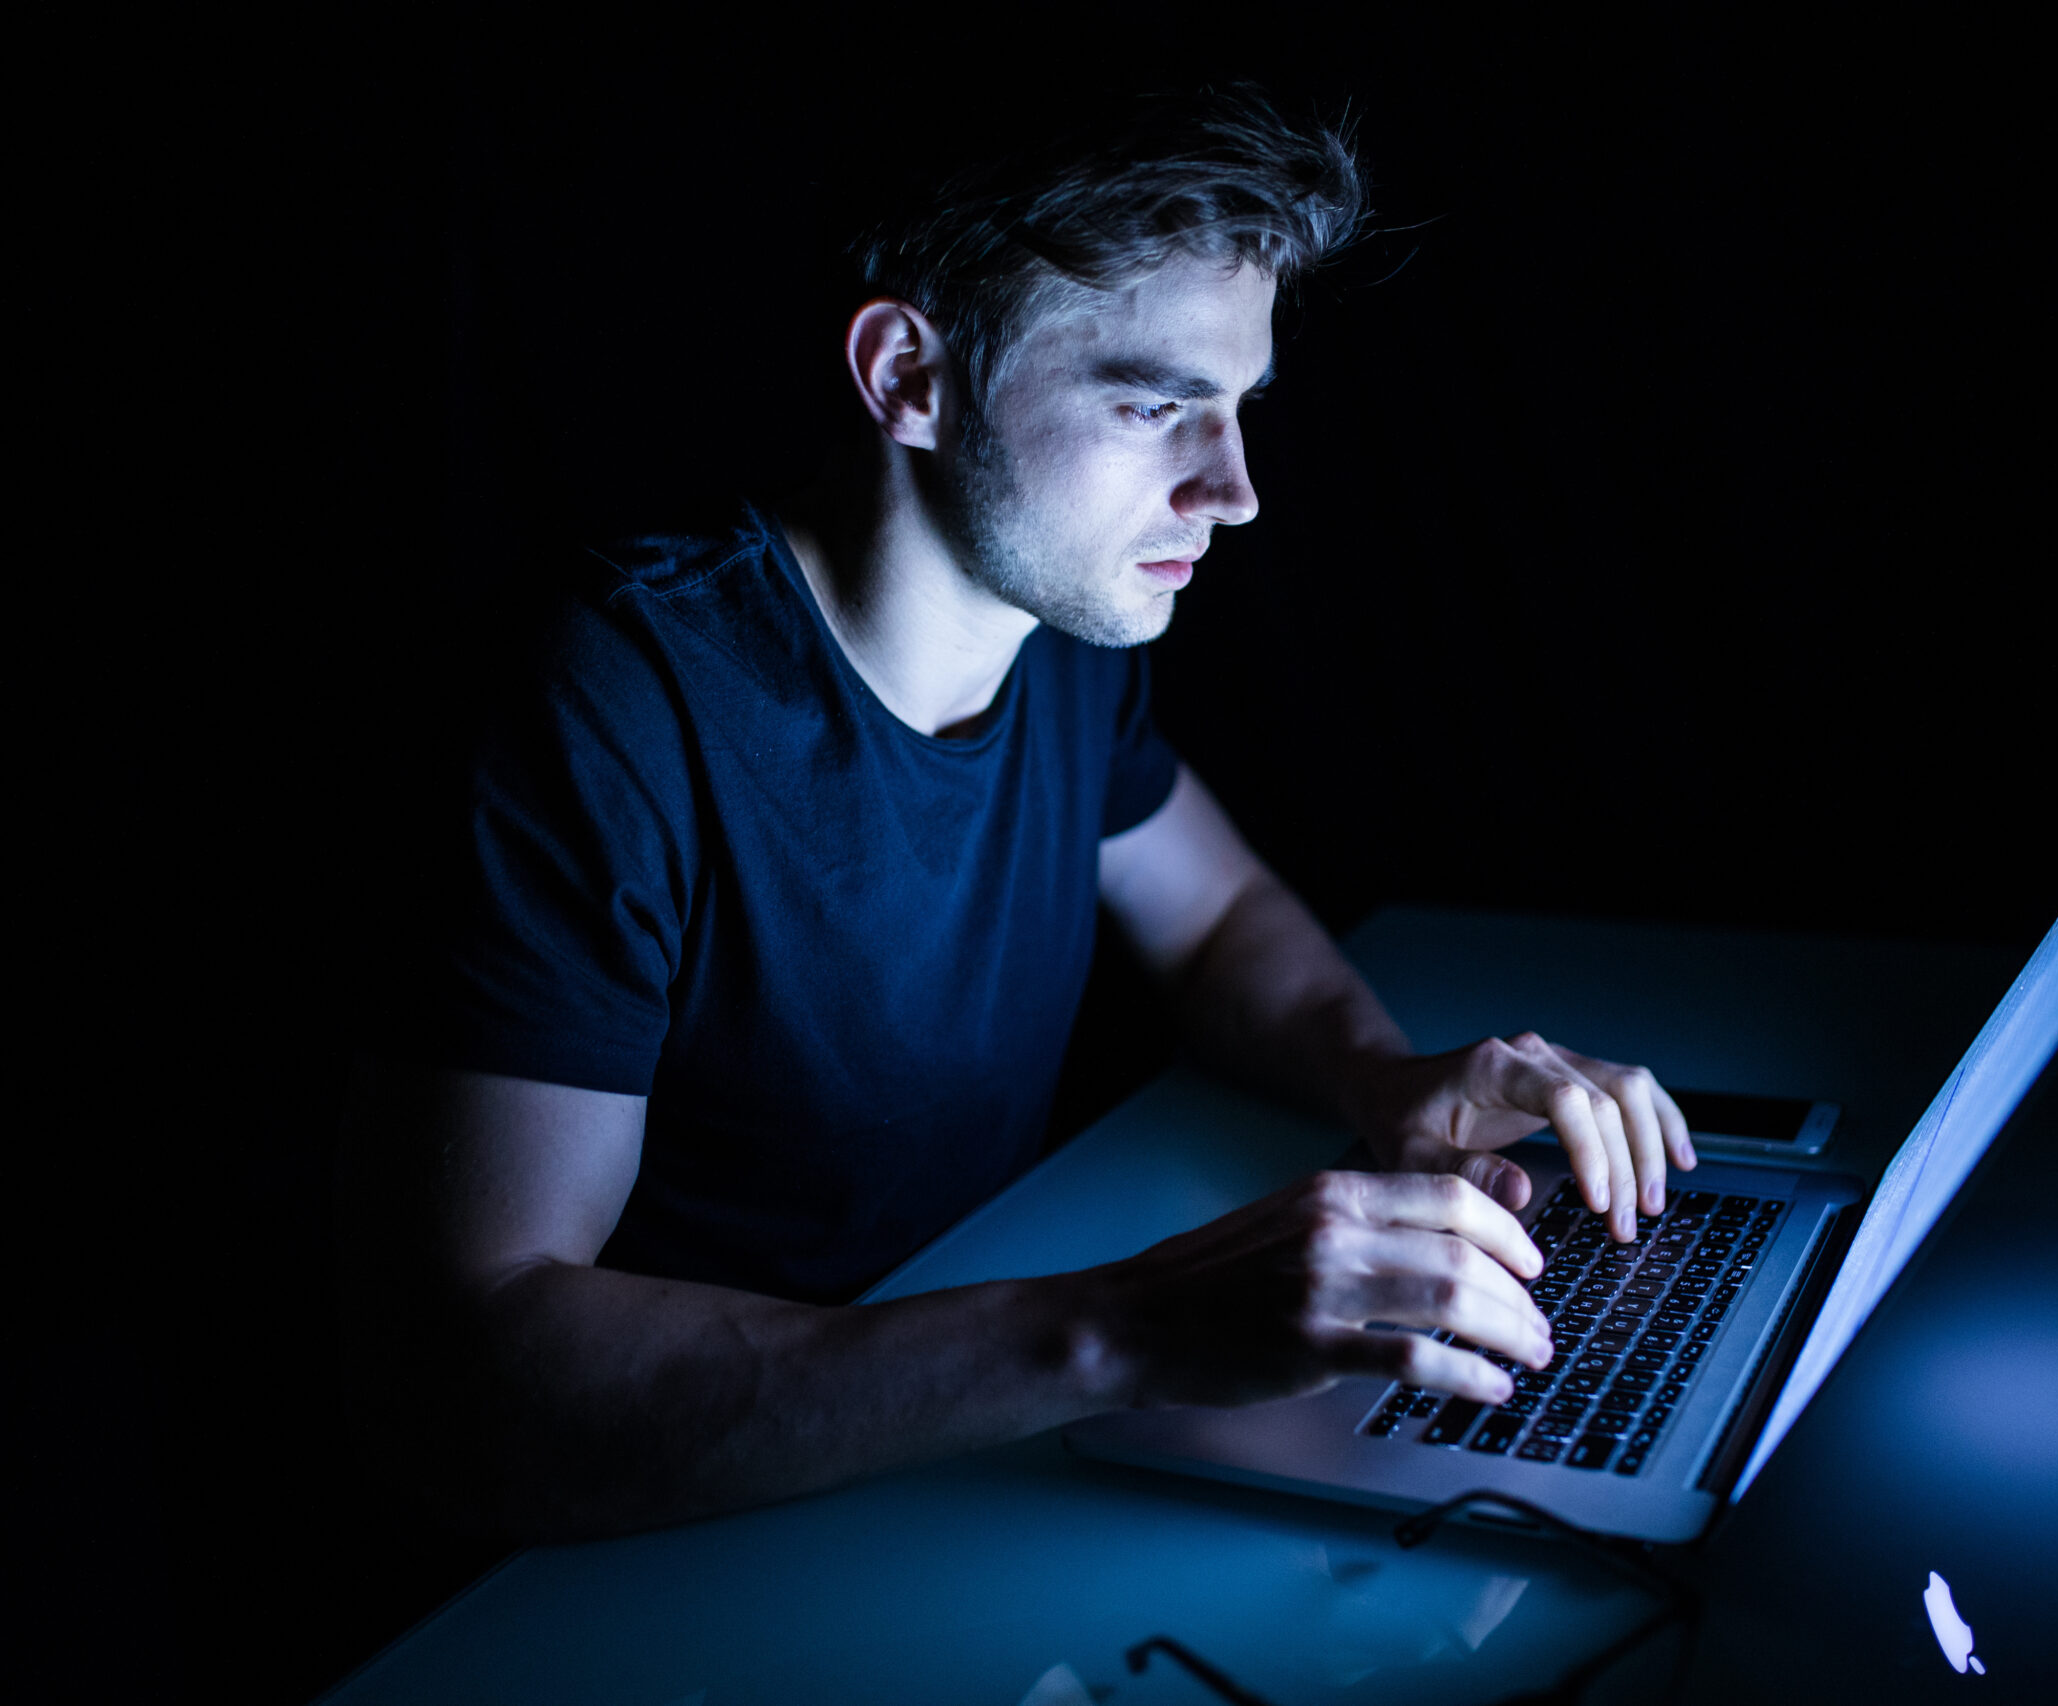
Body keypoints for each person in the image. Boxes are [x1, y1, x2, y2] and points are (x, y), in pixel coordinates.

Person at [344, 82, 1696, 1539]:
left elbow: (1221, 915)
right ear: (909, 376)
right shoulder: (614, 705)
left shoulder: (1055, 635)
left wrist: (1382, 1080)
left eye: (1239, 408)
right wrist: (1120, 1333)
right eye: (1153, 403)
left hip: (949, 1467)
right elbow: (483, 1358)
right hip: (651, 1548)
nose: (1232, 489)